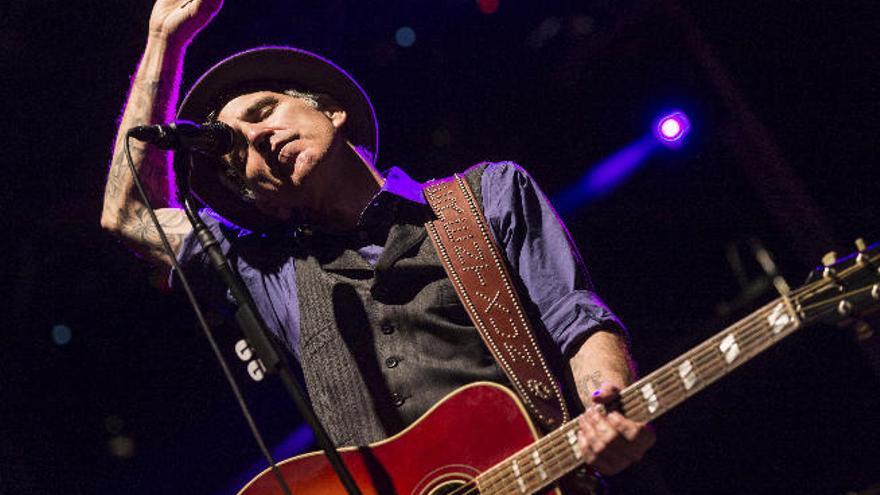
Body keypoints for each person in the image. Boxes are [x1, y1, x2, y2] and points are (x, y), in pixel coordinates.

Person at [101, 0, 657, 487]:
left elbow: (577, 321)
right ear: (261, 199)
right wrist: (163, 41)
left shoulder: (489, 195)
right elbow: (128, 216)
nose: (258, 138)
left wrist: (605, 404)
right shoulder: (265, 274)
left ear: (331, 109)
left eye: (264, 111)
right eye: (237, 151)